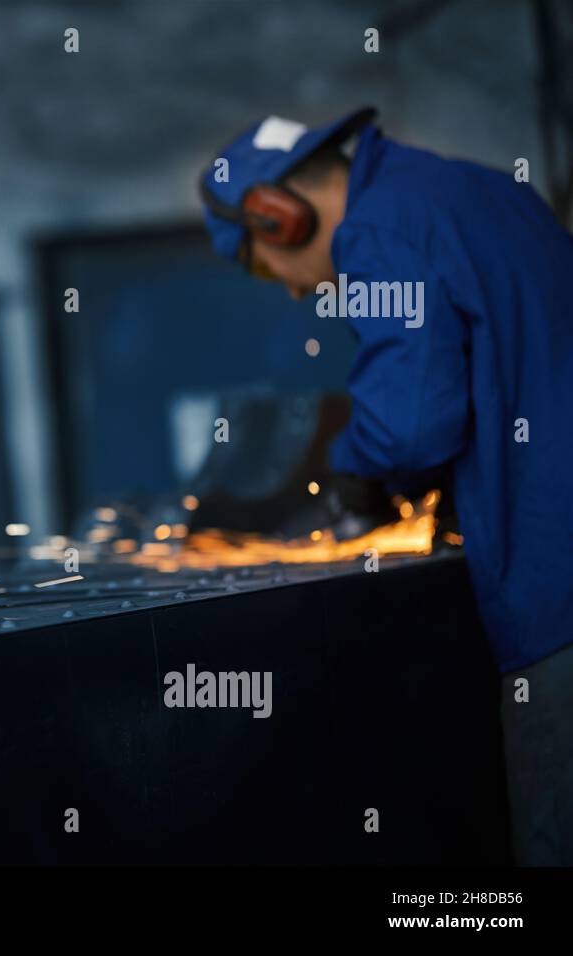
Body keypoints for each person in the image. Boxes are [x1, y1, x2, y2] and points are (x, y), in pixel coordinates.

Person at [198, 107, 573, 865]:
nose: (298, 293)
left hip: (558, 588)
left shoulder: (379, 230)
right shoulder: (480, 189)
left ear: (279, 218)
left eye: (270, 271)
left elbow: (411, 426)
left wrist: (354, 481)